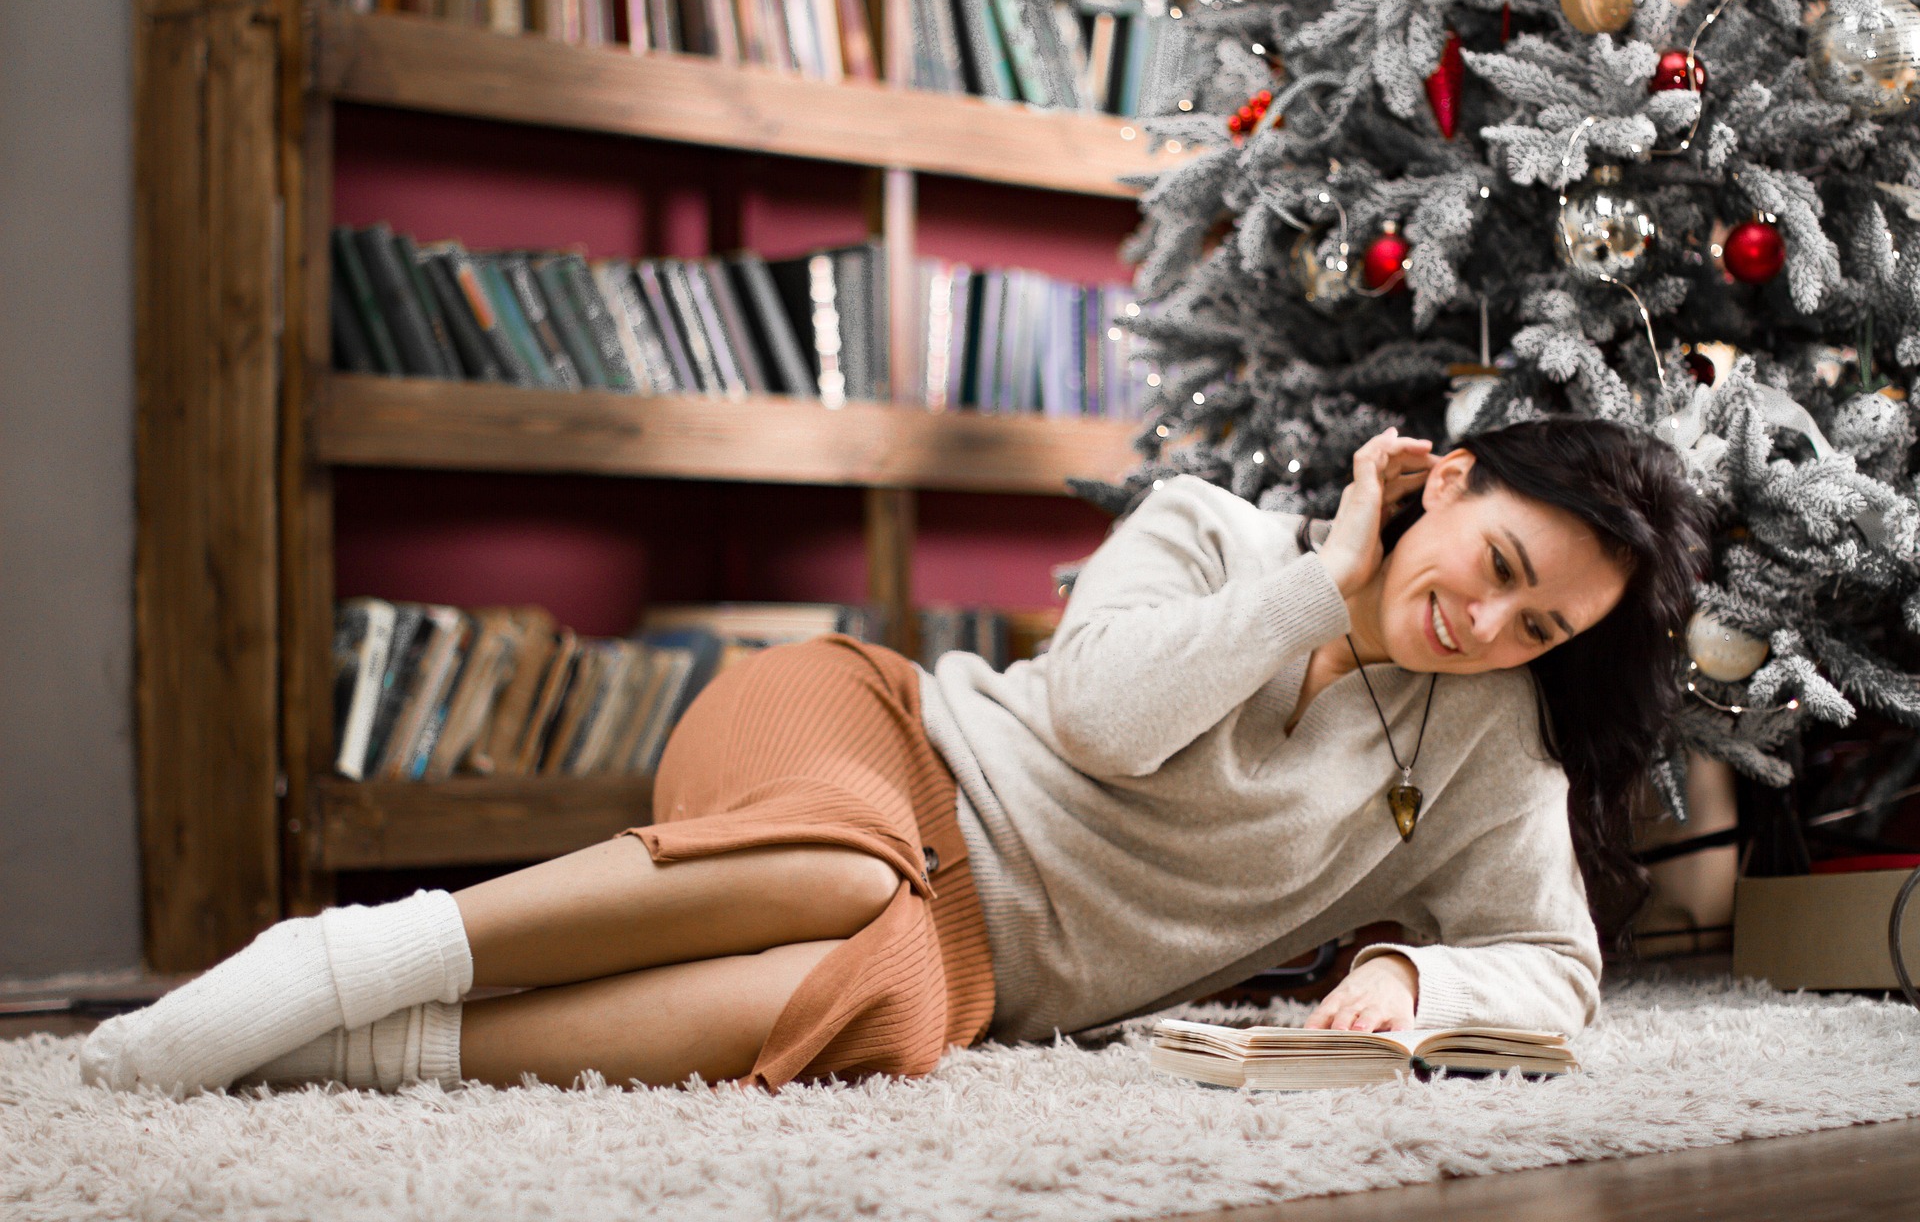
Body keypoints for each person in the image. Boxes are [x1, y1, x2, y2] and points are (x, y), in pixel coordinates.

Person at [81, 416, 1709, 1097]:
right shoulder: (1214, 536)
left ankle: (366, 1056)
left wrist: (1427, 989)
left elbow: (1554, 965)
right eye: (1498, 566)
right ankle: (351, 961)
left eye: (1543, 630)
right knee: (855, 869)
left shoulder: (1487, 740)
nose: (1495, 630)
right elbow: (1101, 719)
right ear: (1443, 479)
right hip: (870, 738)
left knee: (886, 1001)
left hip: (975, 944)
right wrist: (1319, 584)